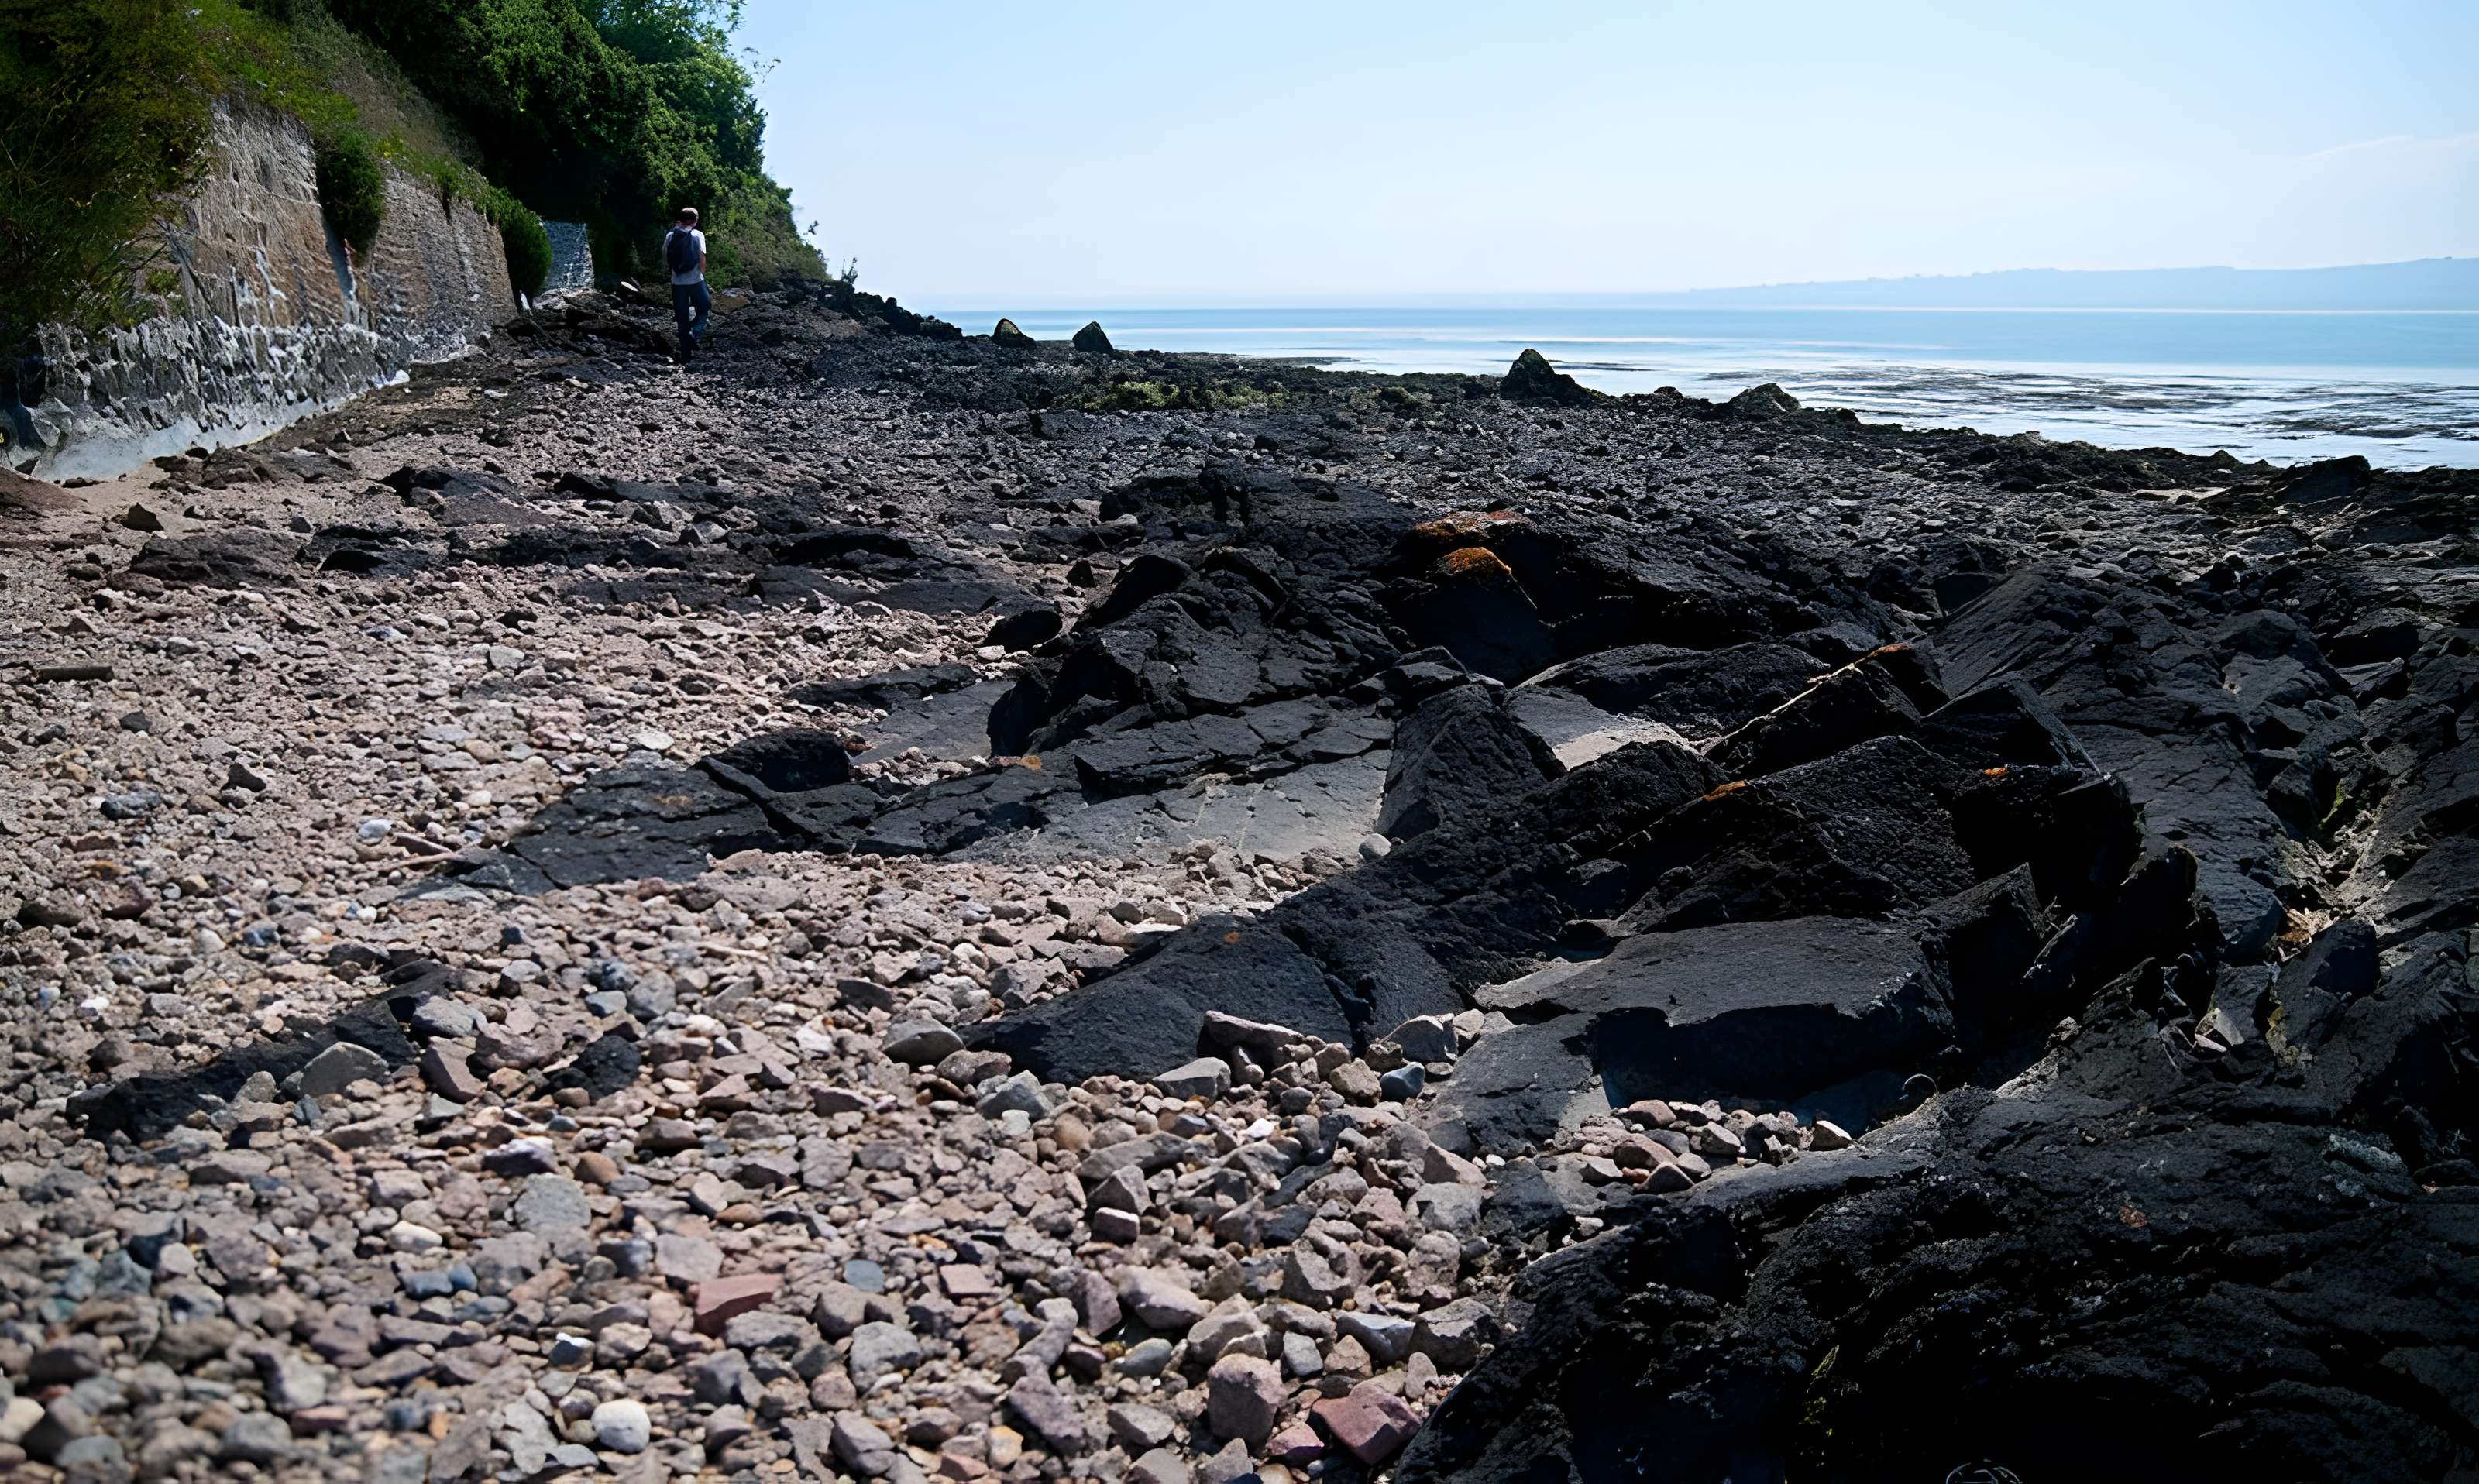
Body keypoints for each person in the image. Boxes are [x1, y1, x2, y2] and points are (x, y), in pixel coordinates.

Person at [662, 208, 710, 359]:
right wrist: (701, 272)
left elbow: (665, 256)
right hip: (696, 281)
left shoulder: (671, 236)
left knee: (682, 317)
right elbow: (702, 258)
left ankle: (685, 355)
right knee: (704, 309)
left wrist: (673, 272)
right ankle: (694, 333)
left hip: (677, 283)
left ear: (680, 219)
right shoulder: (698, 235)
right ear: (695, 221)